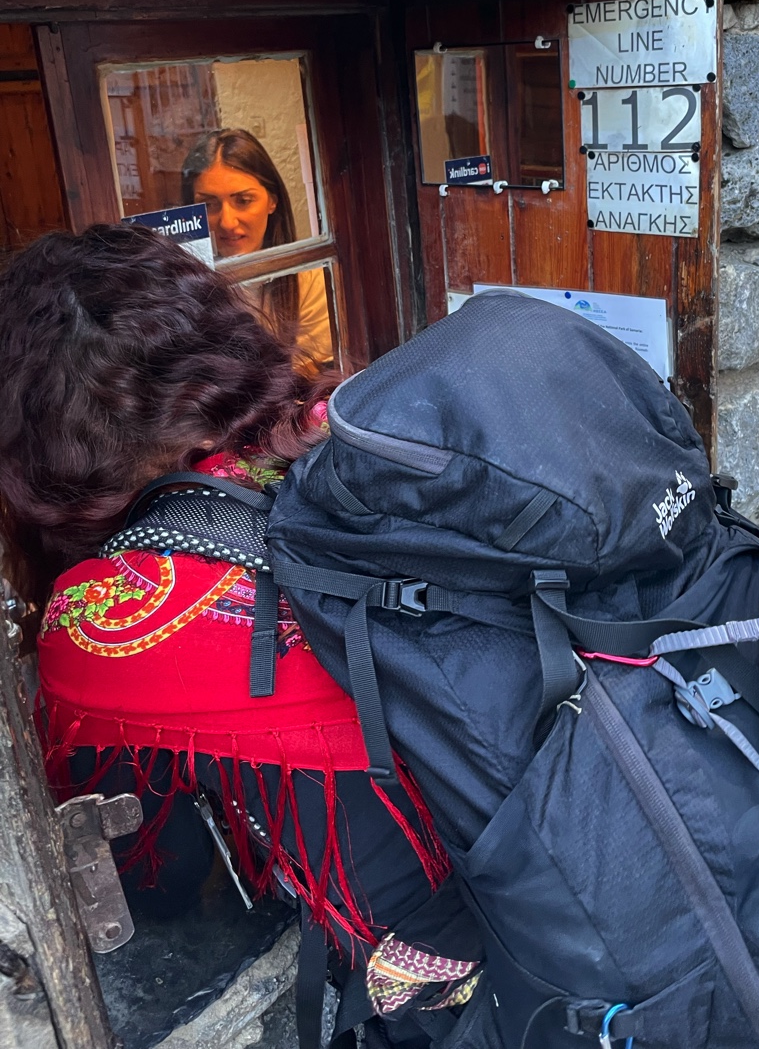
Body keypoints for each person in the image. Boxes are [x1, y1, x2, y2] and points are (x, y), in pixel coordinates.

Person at [0, 225, 478, 1042]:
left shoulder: (109, 608)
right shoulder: (345, 425)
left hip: (439, 983)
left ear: (42, 446)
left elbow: (154, 876)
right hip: (567, 861)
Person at [181, 128, 333, 369]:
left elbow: (309, 377)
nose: (227, 222)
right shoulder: (183, 287)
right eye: (208, 204)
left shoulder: (309, 281)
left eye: (243, 201)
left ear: (272, 200)